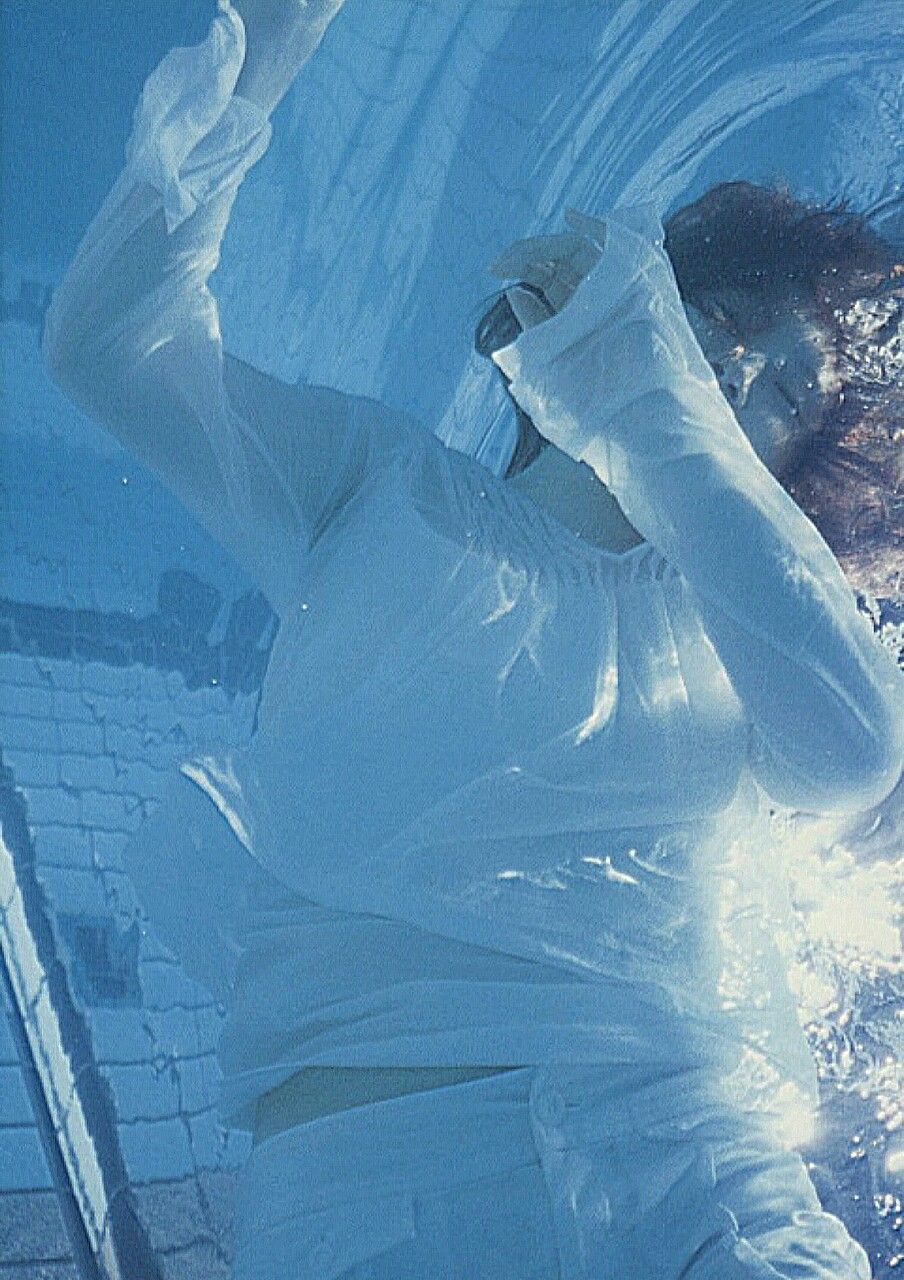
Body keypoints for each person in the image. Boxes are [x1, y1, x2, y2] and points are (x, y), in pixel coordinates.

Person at [43, 2, 902, 1277]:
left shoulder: (758, 623)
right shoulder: (371, 484)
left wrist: (649, 400)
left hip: (700, 1169)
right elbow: (111, 349)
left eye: (784, 388)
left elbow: (852, 752)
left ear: (791, 468)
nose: (731, 376)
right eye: (719, 325)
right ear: (637, 307)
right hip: (375, 1180)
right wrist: (253, 68)